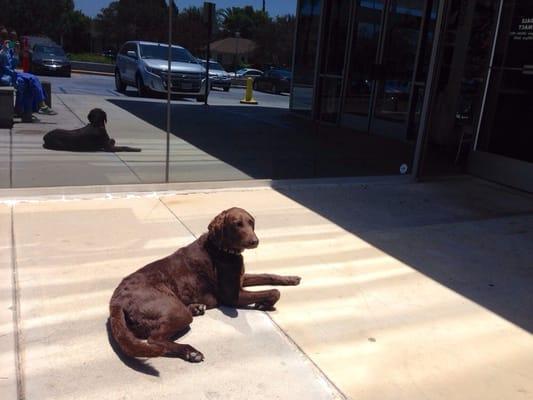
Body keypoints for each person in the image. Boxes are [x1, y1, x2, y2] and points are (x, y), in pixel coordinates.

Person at [0, 37, 56, 117]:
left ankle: (20, 110)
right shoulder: (3, 52)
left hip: (11, 75)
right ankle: (41, 105)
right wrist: (4, 52)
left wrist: (16, 52)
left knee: (28, 81)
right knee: (30, 79)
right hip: (5, 77)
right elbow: (6, 68)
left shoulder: (6, 51)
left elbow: (12, 65)